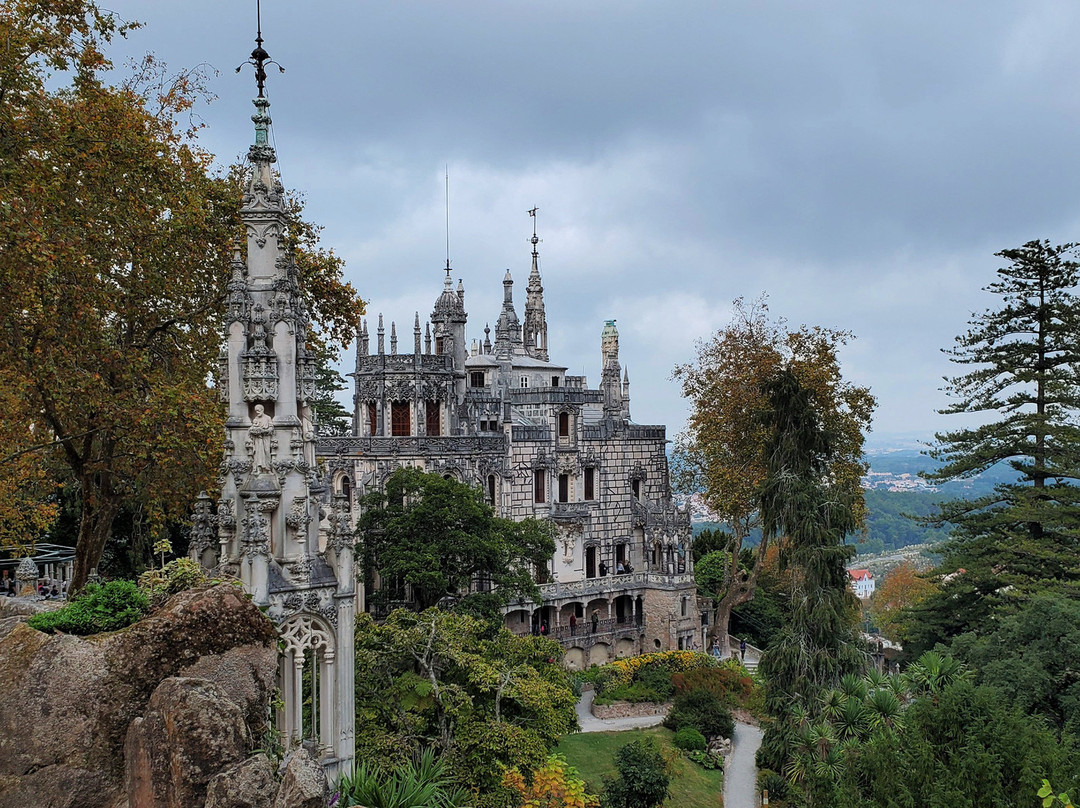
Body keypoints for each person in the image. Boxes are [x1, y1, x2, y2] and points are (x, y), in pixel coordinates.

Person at [249, 404, 275, 474]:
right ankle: (259, 468)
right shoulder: (256, 419)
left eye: (258, 410)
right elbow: (252, 428)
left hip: (266, 437)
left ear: (262, 410)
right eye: (256, 411)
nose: (257, 412)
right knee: (258, 453)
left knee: (267, 452)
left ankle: (268, 469)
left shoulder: (267, 418)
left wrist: (264, 431)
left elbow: (271, 428)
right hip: (258, 439)